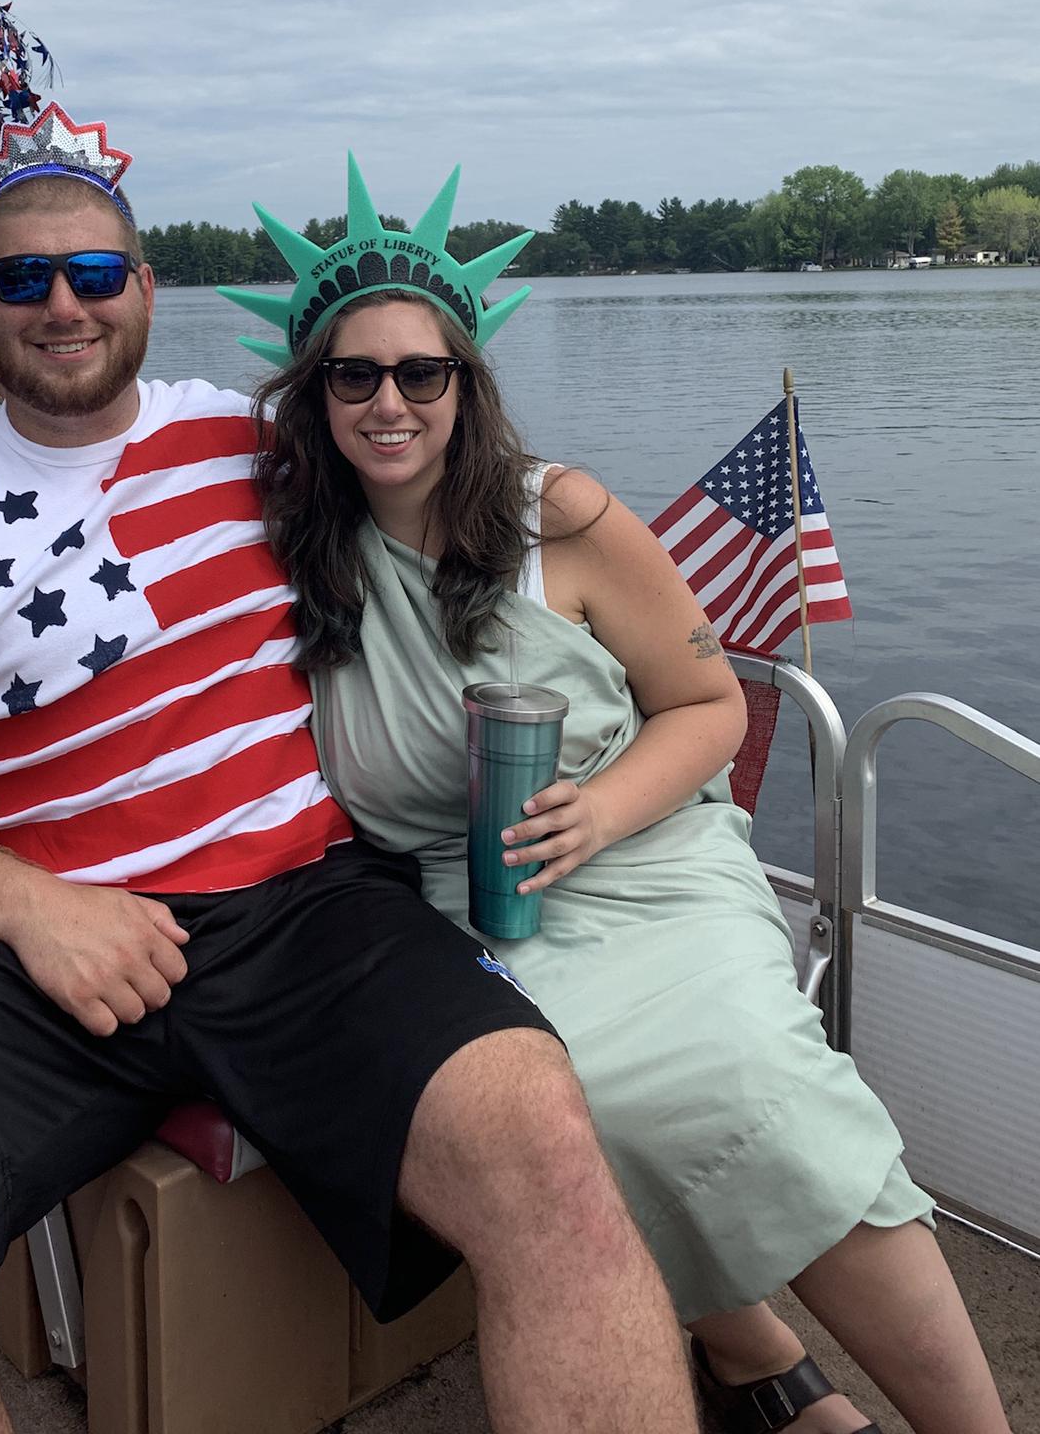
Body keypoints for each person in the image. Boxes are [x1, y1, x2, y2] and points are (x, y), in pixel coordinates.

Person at [0, 106, 700, 1434]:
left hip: (303, 907)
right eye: (21, 278)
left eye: (94, 273)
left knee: (546, 1154)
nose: (62, 303)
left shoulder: (260, 447)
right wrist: (30, 910)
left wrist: (586, 543)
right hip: (42, 932)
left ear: (143, 291)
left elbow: (440, 462)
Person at [231, 156, 1013, 1434]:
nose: (387, 400)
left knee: (752, 1079)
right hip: (460, 898)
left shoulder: (563, 517)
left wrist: (598, 811)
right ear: (311, 392)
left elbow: (710, 709)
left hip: (646, 853)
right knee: (555, 1101)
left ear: (465, 384)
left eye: (420, 372)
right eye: (352, 373)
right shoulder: (295, 544)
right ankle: (750, 1340)